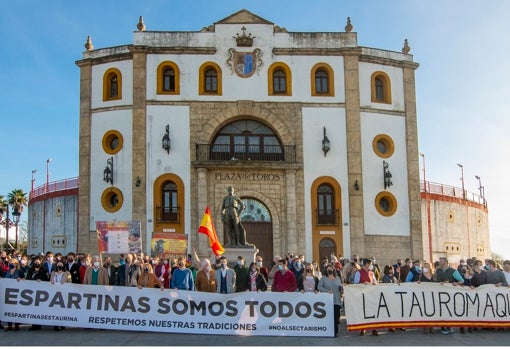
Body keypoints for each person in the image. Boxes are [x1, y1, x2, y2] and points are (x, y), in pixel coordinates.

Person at [434, 257, 463, 335]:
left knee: (449, 310)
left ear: (446, 262)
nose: (439, 262)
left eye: (441, 261)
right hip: (440, 294)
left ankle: (449, 326)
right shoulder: (438, 271)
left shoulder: (453, 271)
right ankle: (443, 327)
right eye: (439, 261)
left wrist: (456, 283)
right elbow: (435, 280)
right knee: (442, 310)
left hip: (450, 294)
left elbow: (461, 280)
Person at [354, 258, 379, 336]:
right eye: (369, 264)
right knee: (363, 312)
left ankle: (374, 329)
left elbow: (375, 281)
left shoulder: (371, 273)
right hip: (362, 295)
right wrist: (362, 284)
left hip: (371, 295)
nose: (371, 266)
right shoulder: (358, 273)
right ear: (366, 264)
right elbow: (355, 284)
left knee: (372, 311)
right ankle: (363, 328)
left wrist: (375, 283)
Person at [317, 265, 343, 337]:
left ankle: (335, 331)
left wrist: (341, 289)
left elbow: (340, 287)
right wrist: (327, 291)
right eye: (328, 269)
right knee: (330, 317)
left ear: (333, 269)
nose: (329, 270)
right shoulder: (323, 278)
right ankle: (331, 332)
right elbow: (319, 287)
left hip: (337, 300)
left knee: (337, 316)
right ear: (326, 271)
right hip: (328, 300)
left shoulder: (337, 278)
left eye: (330, 269)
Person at [25, 257, 49, 331]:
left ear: (40, 262)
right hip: (31, 292)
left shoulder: (44, 270)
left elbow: (47, 280)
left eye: (38, 262)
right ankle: (34, 324)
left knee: (39, 309)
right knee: (32, 309)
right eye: (35, 262)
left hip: (40, 292)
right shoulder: (30, 270)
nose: (37, 263)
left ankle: (38, 324)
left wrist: (41, 280)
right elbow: (27, 278)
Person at [2, 258, 23, 331]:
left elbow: (24, 280)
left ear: (16, 264)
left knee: (16, 309)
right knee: (8, 308)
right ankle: (9, 325)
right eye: (10, 262)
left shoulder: (19, 272)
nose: (10, 263)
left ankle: (16, 325)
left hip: (17, 292)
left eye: (12, 262)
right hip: (7, 293)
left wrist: (21, 279)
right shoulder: (6, 272)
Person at [50, 260, 71, 331]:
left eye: (61, 265)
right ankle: (55, 324)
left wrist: (65, 282)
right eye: (58, 265)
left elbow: (70, 282)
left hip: (63, 293)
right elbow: (50, 281)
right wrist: (51, 282)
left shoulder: (67, 273)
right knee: (55, 309)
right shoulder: (53, 273)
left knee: (62, 309)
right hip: (54, 293)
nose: (59, 266)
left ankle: (62, 323)